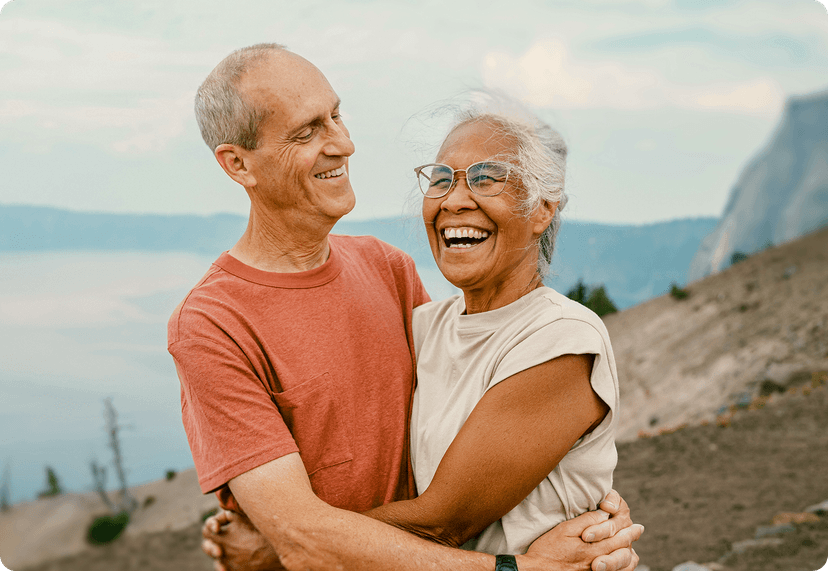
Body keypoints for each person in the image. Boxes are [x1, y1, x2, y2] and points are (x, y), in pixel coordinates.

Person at [170, 43, 642, 571]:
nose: (343, 144)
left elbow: (444, 509)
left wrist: (275, 549)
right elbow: (321, 528)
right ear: (238, 164)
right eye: (307, 133)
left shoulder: (386, 270)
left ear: (544, 209)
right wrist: (524, 567)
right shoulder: (212, 323)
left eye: (336, 116)